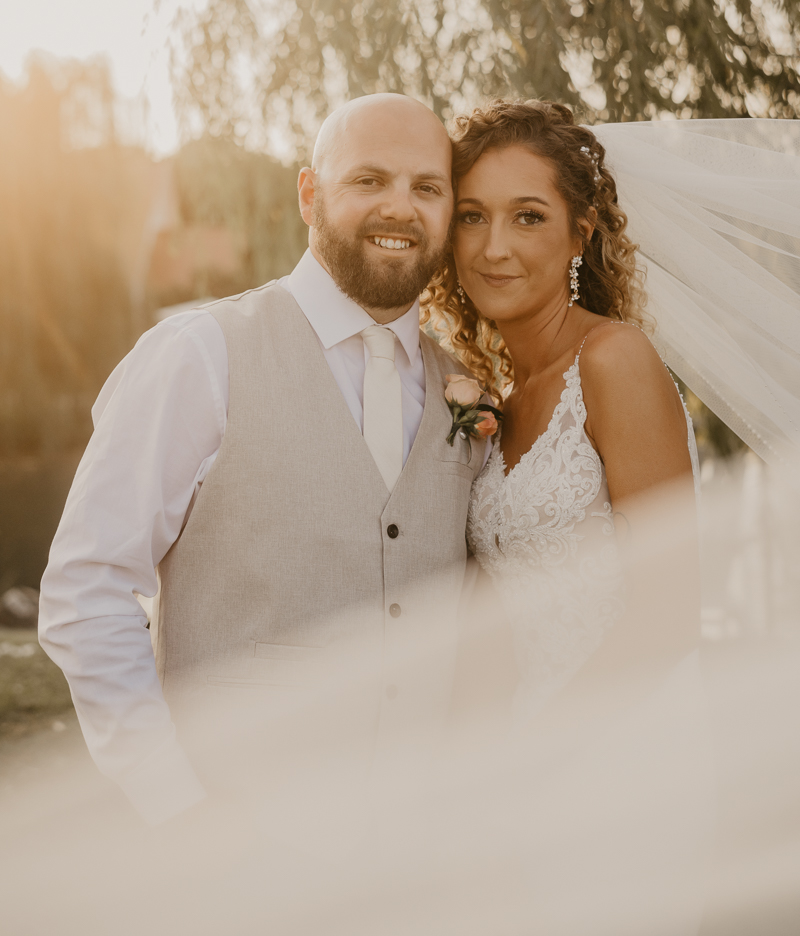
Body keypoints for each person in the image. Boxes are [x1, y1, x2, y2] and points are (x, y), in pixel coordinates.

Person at [38, 92, 489, 826]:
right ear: (310, 196)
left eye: (426, 188)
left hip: (418, 856)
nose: (400, 208)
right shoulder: (201, 356)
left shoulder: (464, 390)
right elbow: (86, 588)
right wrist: (175, 803)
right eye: (368, 181)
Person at [423, 98, 711, 934]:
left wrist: (531, 768)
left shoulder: (615, 361)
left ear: (580, 234)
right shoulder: (498, 399)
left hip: (625, 753)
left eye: (528, 216)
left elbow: (668, 613)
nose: (492, 246)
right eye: (471, 216)